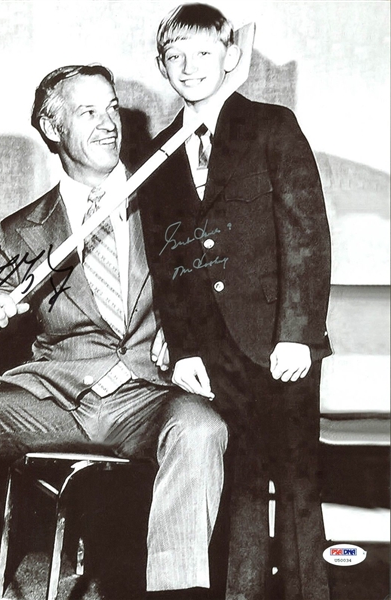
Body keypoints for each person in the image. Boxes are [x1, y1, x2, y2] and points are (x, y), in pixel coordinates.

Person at [0, 64, 228, 600]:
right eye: (89, 111)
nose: (110, 122)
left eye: (112, 107)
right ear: (52, 126)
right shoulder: (22, 230)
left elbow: (212, 295)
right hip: (52, 398)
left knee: (201, 429)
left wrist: (183, 336)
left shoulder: (164, 206)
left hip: (144, 394)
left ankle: (179, 593)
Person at [139, 4, 332, 600]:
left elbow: (306, 234)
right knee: (239, 478)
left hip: (280, 342)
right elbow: (167, 262)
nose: (189, 67)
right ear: (162, 67)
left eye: (202, 53)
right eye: (175, 56)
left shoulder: (272, 125)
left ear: (230, 57)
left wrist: (297, 332)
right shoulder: (159, 151)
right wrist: (185, 349)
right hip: (213, 350)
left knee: (296, 482)